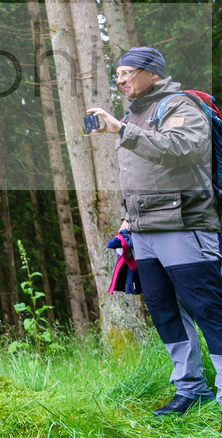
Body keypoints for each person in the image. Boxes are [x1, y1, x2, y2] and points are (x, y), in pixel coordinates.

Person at [87, 46, 222, 426]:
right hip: (144, 231)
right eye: (118, 75)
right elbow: (141, 178)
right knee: (165, 312)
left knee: (209, 309)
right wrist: (128, 220)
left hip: (186, 224)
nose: (121, 79)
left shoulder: (179, 106)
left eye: (128, 72)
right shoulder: (134, 114)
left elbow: (185, 148)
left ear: (153, 73)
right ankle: (191, 389)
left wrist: (121, 131)